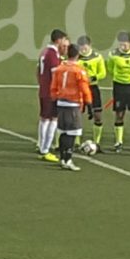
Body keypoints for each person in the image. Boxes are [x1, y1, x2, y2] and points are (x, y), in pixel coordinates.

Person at [49, 43, 93, 171]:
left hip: (60, 103)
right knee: (72, 133)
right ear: (78, 55)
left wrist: (54, 101)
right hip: (72, 104)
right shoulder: (79, 70)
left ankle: (63, 158)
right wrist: (89, 104)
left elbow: (53, 87)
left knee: (63, 132)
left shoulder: (59, 68)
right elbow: (84, 89)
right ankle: (68, 160)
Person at [36, 29, 68, 162]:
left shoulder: (44, 52)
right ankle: (45, 150)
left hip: (43, 89)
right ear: (59, 40)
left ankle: (41, 145)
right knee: (52, 120)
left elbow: (38, 70)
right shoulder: (53, 55)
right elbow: (57, 75)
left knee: (44, 118)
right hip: (51, 92)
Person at [76, 36, 107, 150]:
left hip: (93, 88)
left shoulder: (97, 57)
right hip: (79, 89)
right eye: (81, 47)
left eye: (85, 46)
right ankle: (77, 142)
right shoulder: (76, 58)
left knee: (97, 115)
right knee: (77, 116)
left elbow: (103, 73)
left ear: (90, 45)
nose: (83, 49)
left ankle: (97, 142)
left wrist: (93, 77)